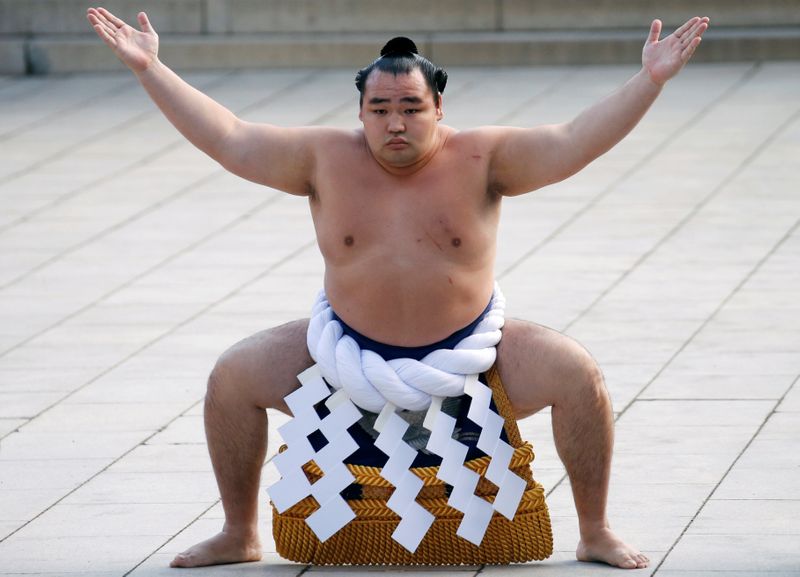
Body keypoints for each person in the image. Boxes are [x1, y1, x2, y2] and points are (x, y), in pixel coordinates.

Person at [86, 6, 708, 570]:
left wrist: (649, 81)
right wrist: (151, 69)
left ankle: (595, 530)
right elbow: (229, 136)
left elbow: (575, 141)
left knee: (578, 376)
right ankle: (239, 532)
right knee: (232, 378)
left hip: (473, 356)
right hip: (343, 356)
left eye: (411, 107)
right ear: (360, 113)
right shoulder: (322, 159)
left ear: (439, 108)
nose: (395, 123)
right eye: (380, 109)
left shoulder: (484, 158)